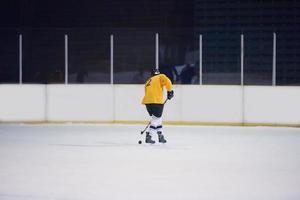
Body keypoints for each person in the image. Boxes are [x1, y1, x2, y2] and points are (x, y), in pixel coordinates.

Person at [141, 68, 174, 144]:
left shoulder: (148, 81)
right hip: (156, 101)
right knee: (156, 119)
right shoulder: (160, 76)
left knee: (157, 118)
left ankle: (160, 135)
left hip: (147, 102)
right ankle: (149, 135)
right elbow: (168, 81)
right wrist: (170, 91)